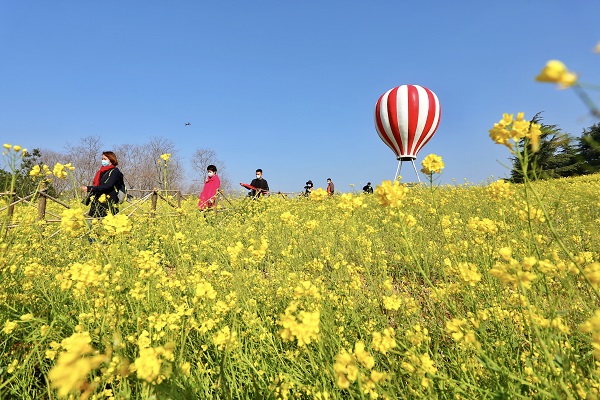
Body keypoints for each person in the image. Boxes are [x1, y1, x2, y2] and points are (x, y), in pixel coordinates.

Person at [81, 151, 124, 218]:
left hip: (108, 203)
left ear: (111, 159)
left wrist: (89, 188)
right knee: (92, 222)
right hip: (97, 201)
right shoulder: (101, 172)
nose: (103, 161)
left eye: (105, 159)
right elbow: (98, 186)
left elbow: (107, 186)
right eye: (102, 159)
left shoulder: (115, 172)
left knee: (106, 224)